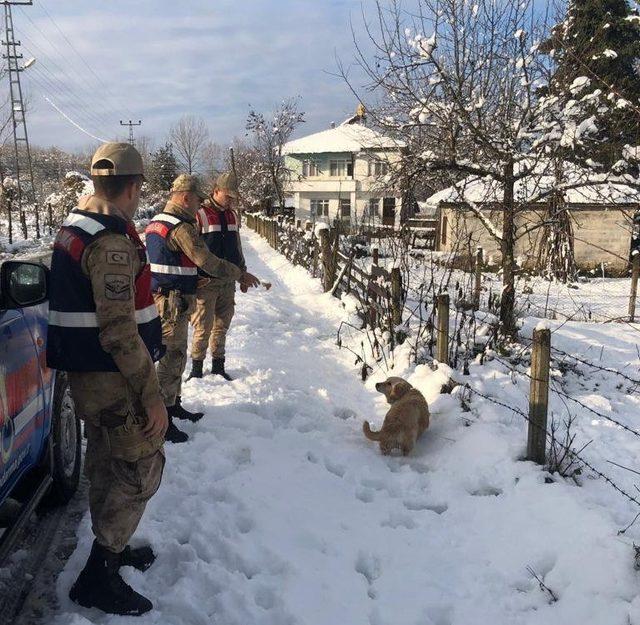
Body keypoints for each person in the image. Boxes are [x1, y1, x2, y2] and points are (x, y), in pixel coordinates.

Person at [47, 142, 167, 616]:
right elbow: (119, 331)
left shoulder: (76, 225)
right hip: (114, 377)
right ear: (134, 187)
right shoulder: (111, 241)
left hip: (92, 378)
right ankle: (99, 574)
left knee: (106, 461)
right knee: (138, 469)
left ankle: (111, 552)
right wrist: (153, 396)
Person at [145, 174, 259, 442]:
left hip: (172, 297)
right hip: (172, 301)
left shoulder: (159, 221)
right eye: (197, 199)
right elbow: (206, 260)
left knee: (175, 355)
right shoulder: (180, 226)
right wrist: (239, 274)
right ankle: (164, 420)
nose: (199, 204)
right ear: (185, 197)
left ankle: (173, 404)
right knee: (171, 359)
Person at [188, 172, 253, 381]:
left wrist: (241, 273)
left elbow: (237, 247)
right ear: (216, 191)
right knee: (202, 327)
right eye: (228, 196)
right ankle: (196, 370)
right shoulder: (200, 214)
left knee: (222, 325)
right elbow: (191, 250)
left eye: (234, 197)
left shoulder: (233, 215)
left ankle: (218, 366)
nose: (231, 201)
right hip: (205, 283)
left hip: (227, 282)